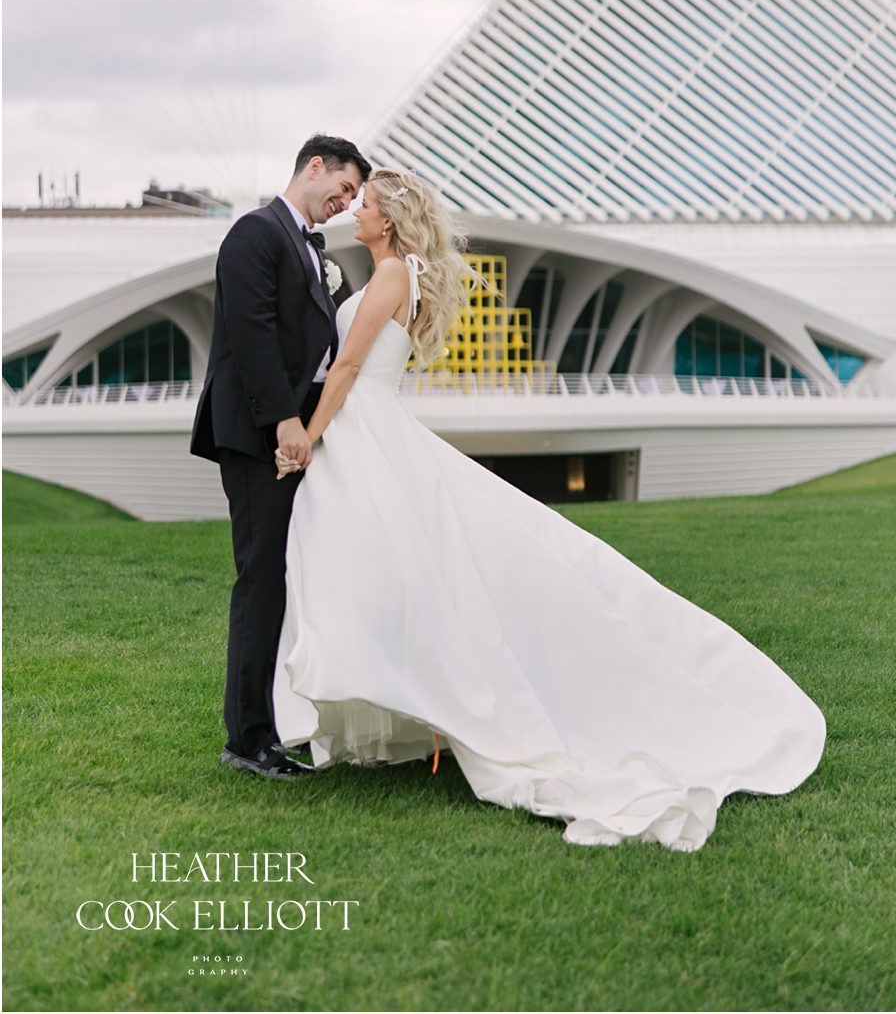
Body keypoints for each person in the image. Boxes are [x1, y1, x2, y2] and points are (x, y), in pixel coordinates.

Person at [268, 167, 824, 849]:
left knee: (380, 569)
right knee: (373, 568)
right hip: (373, 433)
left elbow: (349, 371)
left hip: (363, 430)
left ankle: (386, 695)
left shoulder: (389, 278)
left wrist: (308, 436)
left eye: (368, 205)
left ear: (391, 219)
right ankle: (378, 704)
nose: (356, 212)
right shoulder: (399, 275)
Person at [192, 134, 368, 782]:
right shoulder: (254, 234)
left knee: (278, 582)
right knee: (260, 583)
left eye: (353, 198)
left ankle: (265, 729)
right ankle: (247, 739)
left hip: (291, 435)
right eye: (342, 188)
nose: (344, 203)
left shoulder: (310, 248)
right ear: (313, 166)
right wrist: (287, 423)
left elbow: (313, 351)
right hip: (257, 438)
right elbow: (253, 333)